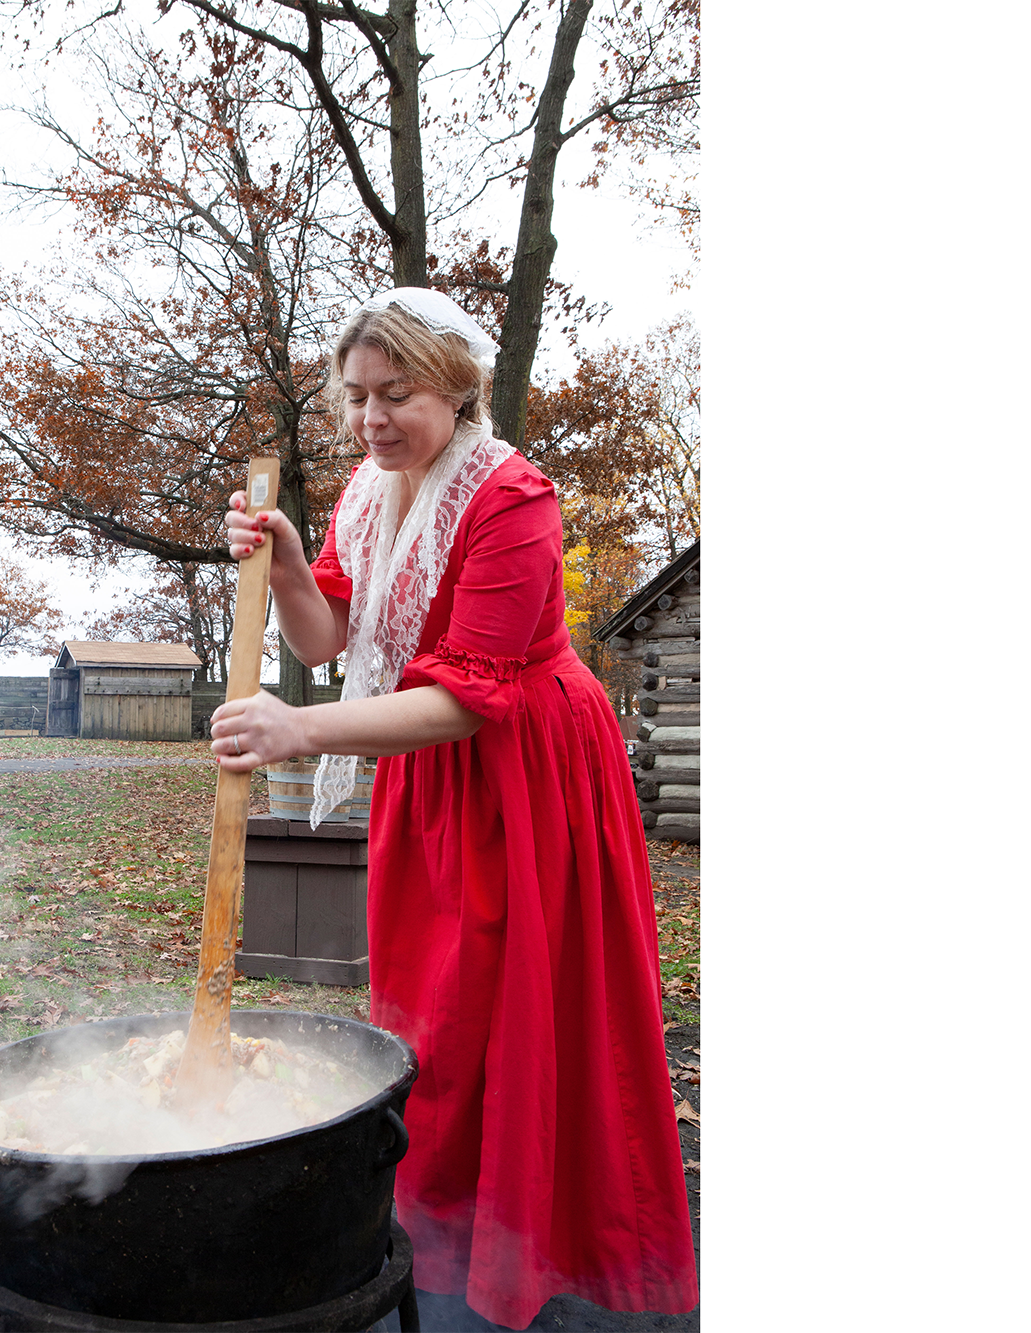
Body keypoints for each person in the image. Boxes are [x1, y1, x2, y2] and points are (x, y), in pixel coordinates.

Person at [210, 288, 697, 1327]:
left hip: (524, 773)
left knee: (518, 1001)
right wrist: (294, 563)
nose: (371, 418)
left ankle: (546, 1257)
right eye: (354, 398)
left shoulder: (512, 498)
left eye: (398, 395)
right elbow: (321, 641)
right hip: (427, 771)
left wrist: (299, 731)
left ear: (458, 388)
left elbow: (469, 698)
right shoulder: (365, 492)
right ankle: (447, 1236)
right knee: (436, 1012)